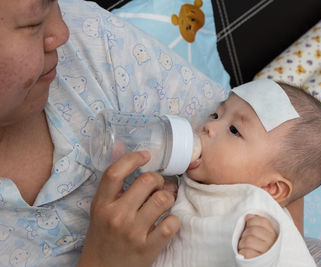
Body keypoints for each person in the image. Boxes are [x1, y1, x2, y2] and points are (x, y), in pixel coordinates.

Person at [0, 1, 303, 267]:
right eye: (33, 22)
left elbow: (285, 152)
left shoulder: (88, 38)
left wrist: (271, 250)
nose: (61, 32)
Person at [152, 79, 321, 266]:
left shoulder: (261, 215)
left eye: (234, 131)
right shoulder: (202, 180)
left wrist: (262, 258)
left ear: (271, 188)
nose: (208, 126)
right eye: (215, 115)